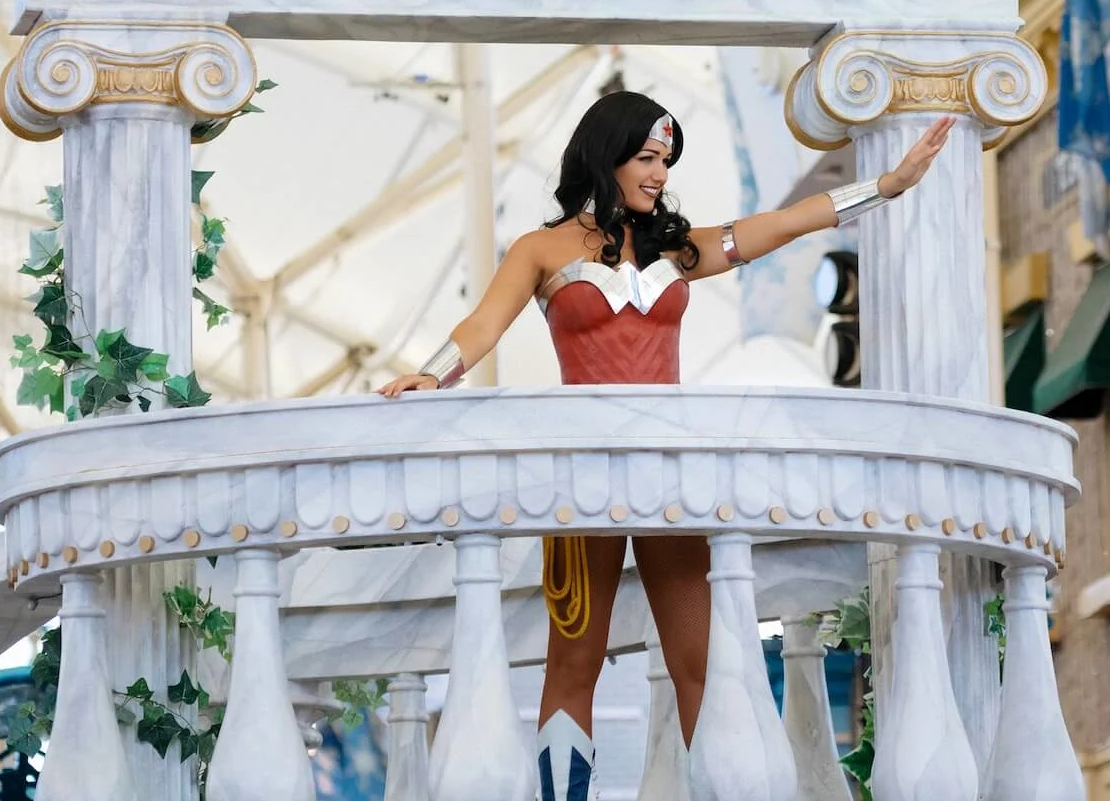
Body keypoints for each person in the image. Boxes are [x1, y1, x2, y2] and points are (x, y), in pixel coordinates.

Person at [377, 90, 953, 801]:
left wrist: (886, 186)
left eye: (666, 161)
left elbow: (780, 225)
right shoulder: (541, 250)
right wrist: (432, 373)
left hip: (669, 475)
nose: (659, 174)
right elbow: (483, 324)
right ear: (607, 155)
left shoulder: (678, 248)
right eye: (648, 158)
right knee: (573, 663)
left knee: (699, 662)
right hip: (581, 477)